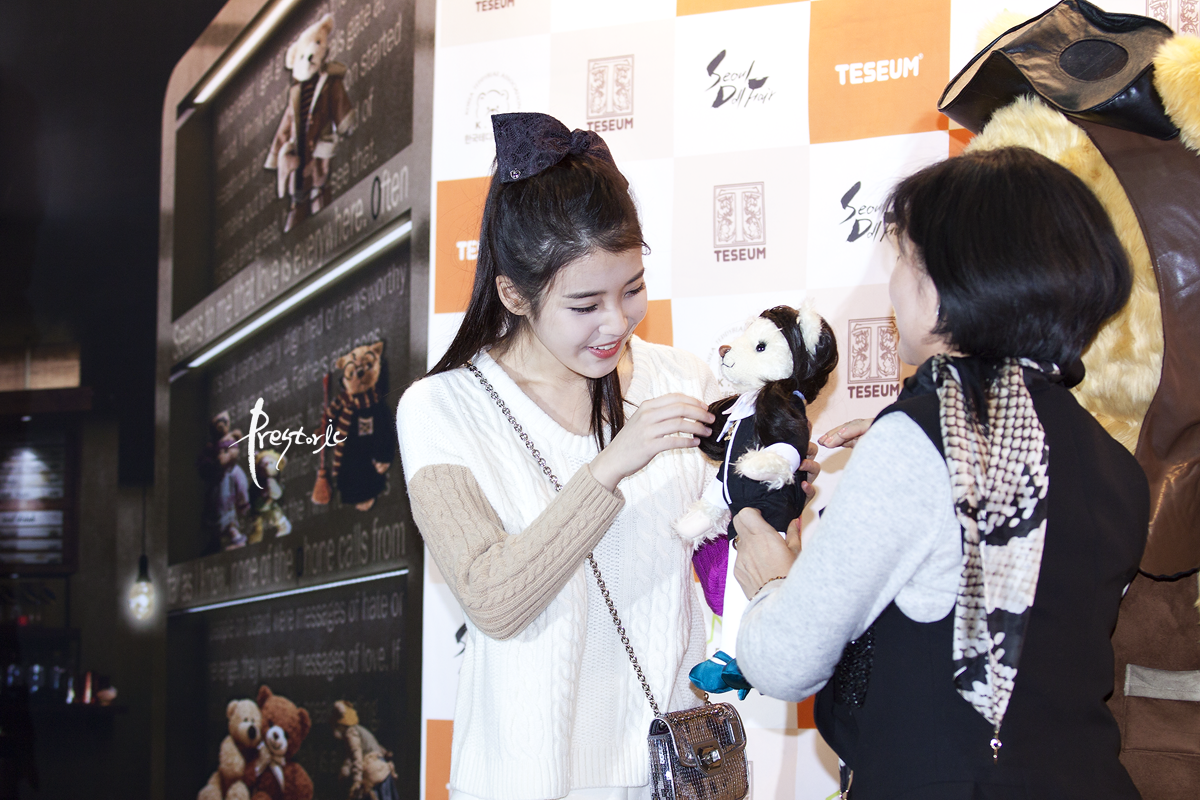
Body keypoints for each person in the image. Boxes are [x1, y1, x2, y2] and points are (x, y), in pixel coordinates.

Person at [397, 112, 820, 799]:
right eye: (585, 304)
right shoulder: (442, 409)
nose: (616, 322)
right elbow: (493, 600)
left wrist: (776, 487)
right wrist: (611, 465)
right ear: (513, 292)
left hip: (673, 777)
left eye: (632, 289)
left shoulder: (681, 380)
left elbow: (733, 552)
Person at [731, 147, 1147, 799]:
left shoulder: (921, 438)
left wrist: (772, 580)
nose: (893, 285)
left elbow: (784, 661)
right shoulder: (1115, 464)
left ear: (949, 281)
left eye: (902, 258)